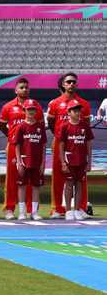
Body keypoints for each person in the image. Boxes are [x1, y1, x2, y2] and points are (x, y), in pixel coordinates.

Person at [46, 72, 92, 218]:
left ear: (76, 85)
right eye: (68, 82)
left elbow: (85, 127)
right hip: (60, 144)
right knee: (59, 177)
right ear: (63, 85)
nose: (71, 84)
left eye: (74, 82)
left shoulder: (84, 104)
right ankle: (57, 208)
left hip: (78, 146)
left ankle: (81, 208)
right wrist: (61, 138)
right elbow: (52, 124)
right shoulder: (54, 103)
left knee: (80, 179)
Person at [0, 78, 35, 220]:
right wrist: (13, 137)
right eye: (21, 87)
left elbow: (39, 126)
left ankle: (30, 209)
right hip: (14, 147)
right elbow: (2, 126)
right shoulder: (8, 107)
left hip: (31, 147)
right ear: (16, 90)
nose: (24, 89)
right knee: (13, 178)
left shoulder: (34, 106)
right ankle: (9, 209)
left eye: (26, 87)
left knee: (31, 179)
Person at [58, 101, 93, 221]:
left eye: (78, 110)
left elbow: (89, 144)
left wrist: (89, 162)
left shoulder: (85, 126)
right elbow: (61, 145)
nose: (77, 113)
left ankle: (77, 210)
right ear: (69, 112)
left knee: (79, 185)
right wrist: (63, 162)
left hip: (82, 161)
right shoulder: (64, 126)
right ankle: (68, 210)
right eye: (74, 110)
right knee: (69, 185)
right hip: (69, 161)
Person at [13, 100, 46, 220]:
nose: (31, 111)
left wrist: (43, 163)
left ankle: (34, 212)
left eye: (33, 109)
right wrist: (18, 162)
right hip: (23, 161)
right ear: (24, 111)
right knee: (21, 186)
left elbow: (43, 146)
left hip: (37, 162)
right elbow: (17, 145)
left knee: (36, 186)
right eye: (28, 109)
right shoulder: (21, 126)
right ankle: (22, 212)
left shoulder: (40, 126)